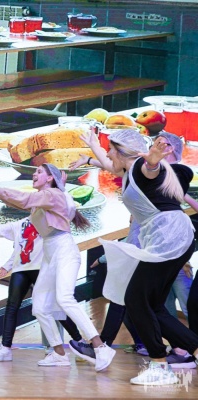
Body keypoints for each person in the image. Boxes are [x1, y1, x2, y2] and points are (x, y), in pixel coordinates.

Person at [76, 129, 198, 385]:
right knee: (152, 305)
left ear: (123, 152)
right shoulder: (129, 171)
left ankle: (160, 365)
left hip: (168, 237)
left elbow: (150, 168)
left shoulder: (142, 168)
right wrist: (93, 147)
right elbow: (110, 164)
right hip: (171, 236)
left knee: (135, 298)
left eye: (111, 149)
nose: (108, 154)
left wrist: (153, 158)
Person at [0, 164, 116, 371]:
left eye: (39, 172)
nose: (34, 174)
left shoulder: (52, 194)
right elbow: (19, 202)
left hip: (64, 250)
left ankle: (100, 347)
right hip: (51, 254)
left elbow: (24, 198)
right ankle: (59, 353)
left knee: (64, 299)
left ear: (50, 178)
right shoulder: (45, 199)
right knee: (40, 307)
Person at [0, 218, 86, 362]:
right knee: (11, 306)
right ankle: (5, 349)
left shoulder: (50, 221)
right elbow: (8, 235)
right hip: (21, 270)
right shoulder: (20, 224)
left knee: (55, 307)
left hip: (42, 269)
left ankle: (80, 343)